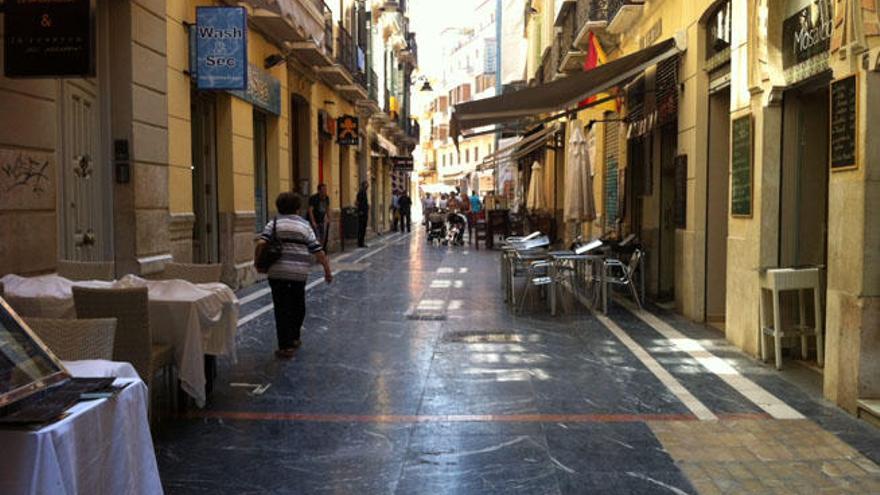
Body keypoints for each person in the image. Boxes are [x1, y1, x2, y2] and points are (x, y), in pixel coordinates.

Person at [255, 192, 333, 359]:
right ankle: (295, 336)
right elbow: (317, 250)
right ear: (297, 208)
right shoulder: (304, 225)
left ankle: (285, 346)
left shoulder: (273, 223)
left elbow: (262, 243)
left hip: (277, 273)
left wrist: (258, 263)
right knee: (298, 304)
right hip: (298, 273)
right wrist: (327, 270)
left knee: (281, 308)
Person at [308, 183, 330, 250]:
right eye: (323, 190)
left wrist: (328, 217)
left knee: (323, 237)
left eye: (326, 189)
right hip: (314, 220)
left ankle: (321, 250)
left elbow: (327, 208)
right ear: (319, 191)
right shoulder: (313, 198)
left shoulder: (326, 198)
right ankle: (317, 251)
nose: (325, 191)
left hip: (321, 220)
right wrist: (313, 222)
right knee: (316, 237)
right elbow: (310, 210)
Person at [356, 181, 370, 248]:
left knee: (363, 228)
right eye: (366, 185)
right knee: (361, 228)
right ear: (363, 185)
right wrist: (361, 211)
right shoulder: (361, 192)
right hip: (362, 213)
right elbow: (359, 203)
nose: (367, 186)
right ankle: (360, 243)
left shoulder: (363, 192)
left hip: (364, 212)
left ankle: (361, 242)